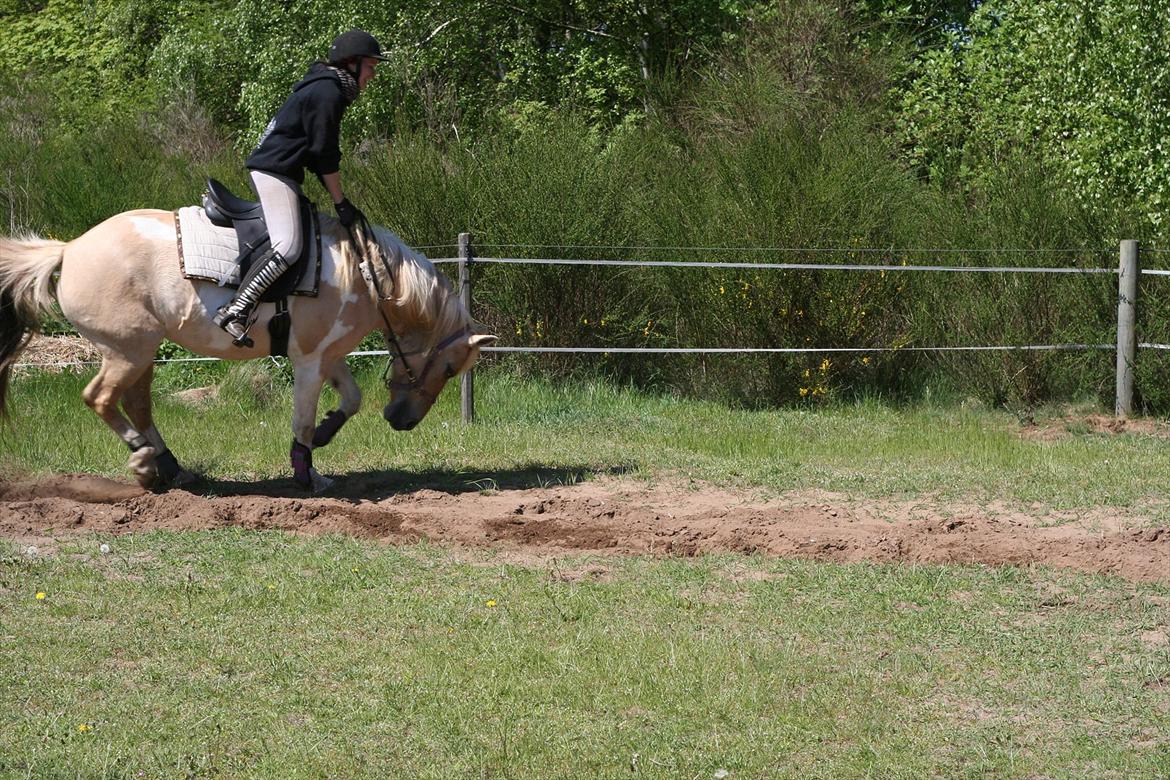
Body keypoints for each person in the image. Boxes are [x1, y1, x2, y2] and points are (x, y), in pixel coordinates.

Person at [214, 28, 388, 347]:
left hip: (282, 172)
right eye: (371, 67)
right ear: (352, 63)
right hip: (274, 171)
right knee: (289, 245)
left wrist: (339, 200)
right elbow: (324, 154)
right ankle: (235, 309)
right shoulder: (329, 92)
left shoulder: (326, 86)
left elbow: (318, 153)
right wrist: (341, 203)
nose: (372, 75)